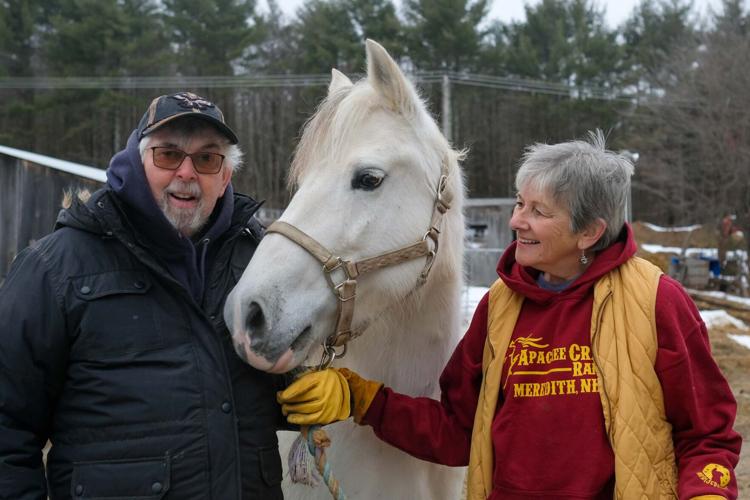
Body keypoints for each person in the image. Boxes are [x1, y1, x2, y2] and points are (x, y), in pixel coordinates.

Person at [278, 131, 742, 499]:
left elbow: (707, 433)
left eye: (539, 211)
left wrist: (708, 492)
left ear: (589, 232)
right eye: (520, 202)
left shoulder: (655, 300)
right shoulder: (501, 306)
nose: (518, 220)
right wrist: (362, 398)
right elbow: (460, 432)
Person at [0, 92, 289, 499]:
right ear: (137, 163)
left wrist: (313, 383)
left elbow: (283, 387)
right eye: (168, 155)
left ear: (225, 177)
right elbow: (7, 426)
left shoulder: (260, 265)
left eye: (207, 159)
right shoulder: (56, 267)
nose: (187, 173)